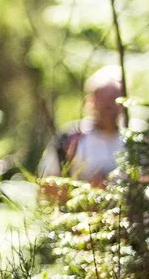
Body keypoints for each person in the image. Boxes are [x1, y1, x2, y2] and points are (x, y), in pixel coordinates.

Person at [40, 65, 126, 204]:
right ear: (90, 101)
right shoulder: (71, 138)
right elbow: (47, 185)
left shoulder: (136, 140)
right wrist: (85, 192)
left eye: (114, 98)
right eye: (102, 99)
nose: (108, 105)